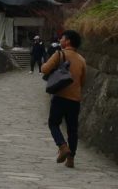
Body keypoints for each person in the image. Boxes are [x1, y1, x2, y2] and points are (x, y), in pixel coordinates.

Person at [41, 29, 86, 169]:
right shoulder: (82, 60)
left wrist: (43, 65)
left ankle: (62, 146)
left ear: (67, 41)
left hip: (60, 96)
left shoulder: (59, 54)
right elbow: (82, 81)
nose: (60, 40)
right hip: (75, 99)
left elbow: (45, 69)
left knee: (53, 123)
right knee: (72, 129)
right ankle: (71, 159)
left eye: (62, 38)